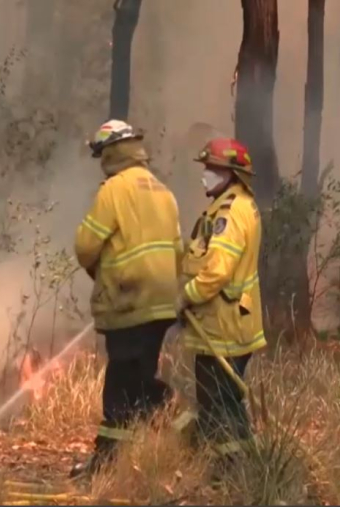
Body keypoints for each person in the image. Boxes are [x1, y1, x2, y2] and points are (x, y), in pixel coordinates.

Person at [70, 119, 183, 478]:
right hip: (162, 304)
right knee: (139, 376)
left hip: (128, 302)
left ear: (111, 152)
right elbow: (177, 251)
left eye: (102, 153)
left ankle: (105, 467)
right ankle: (179, 427)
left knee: (120, 386)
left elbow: (86, 245)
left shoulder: (114, 191)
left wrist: (101, 274)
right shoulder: (164, 192)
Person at [174, 137, 266, 476]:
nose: (206, 175)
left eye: (212, 169)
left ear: (231, 174)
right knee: (227, 402)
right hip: (227, 323)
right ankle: (240, 469)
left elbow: (217, 271)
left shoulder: (230, 213)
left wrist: (187, 296)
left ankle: (228, 472)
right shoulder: (236, 205)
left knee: (218, 404)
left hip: (223, 326)